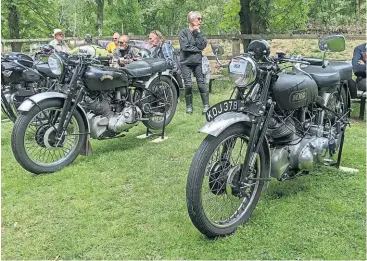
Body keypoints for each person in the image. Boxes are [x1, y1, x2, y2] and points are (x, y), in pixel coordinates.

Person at [179, 11, 208, 114]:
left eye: (200, 19)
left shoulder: (200, 32)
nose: (200, 21)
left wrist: (198, 33)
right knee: (188, 85)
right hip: (185, 62)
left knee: (201, 84)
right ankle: (189, 106)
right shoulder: (183, 32)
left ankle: (206, 106)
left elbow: (203, 45)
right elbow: (185, 47)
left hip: (197, 62)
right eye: (198, 19)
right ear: (191, 20)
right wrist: (198, 49)